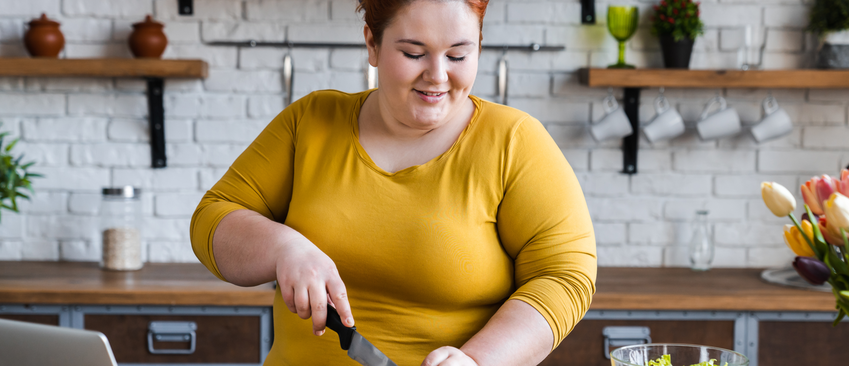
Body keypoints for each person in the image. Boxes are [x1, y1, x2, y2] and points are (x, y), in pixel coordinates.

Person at [190, 0, 597, 364]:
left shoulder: (514, 142)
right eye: (413, 53)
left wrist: (477, 360)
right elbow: (212, 219)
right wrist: (283, 247)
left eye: (459, 54)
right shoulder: (309, 122)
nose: (437, 76)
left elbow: (565, 276)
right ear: (372, 44)